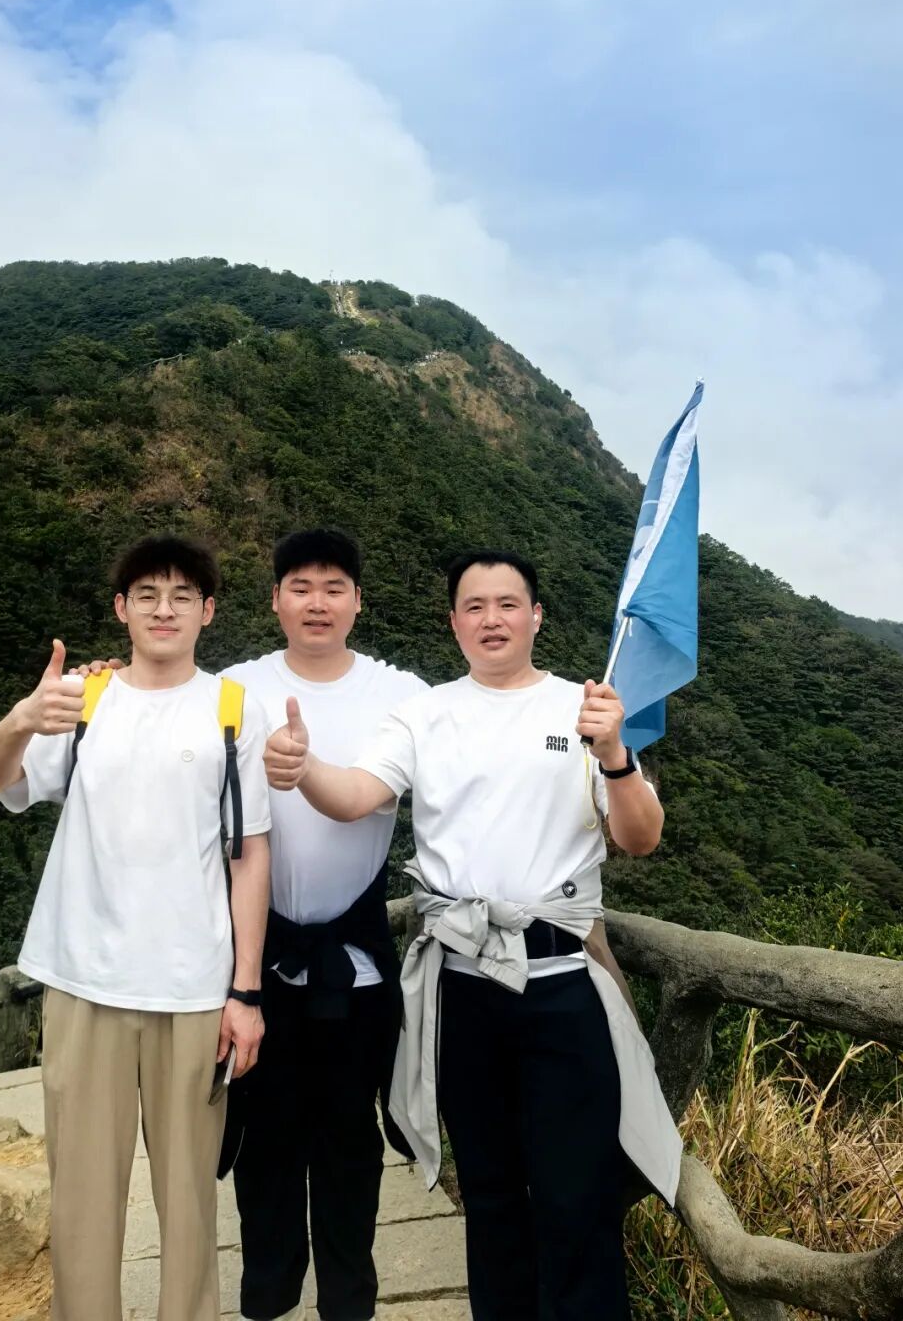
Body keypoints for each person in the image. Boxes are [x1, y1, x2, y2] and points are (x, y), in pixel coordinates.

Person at [265, 548, 683, 1321]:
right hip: (461, 987)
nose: (492, 619)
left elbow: (640, 836)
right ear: (454, 622)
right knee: (489, 1193)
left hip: (563, 984)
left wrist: (616, 756)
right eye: (475, 606)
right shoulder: (425, 714)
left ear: (536, 616)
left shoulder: (586, 707)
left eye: (508, 604)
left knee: (576, 1194)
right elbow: (355, 795)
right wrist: (302, 767)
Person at [0, 535, 272, 1321]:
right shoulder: (81, 698)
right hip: (82, 980)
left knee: (191, 1203)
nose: (164, 609)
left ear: (208, 612)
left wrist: (245, 993)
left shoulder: (234, 709)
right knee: (81, 1202)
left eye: (182, 596)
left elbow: (248, 857)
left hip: (194, 989)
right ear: (121, 608)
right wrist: (23, 717)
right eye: (147, 595)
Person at [221, 528, 427, 1321]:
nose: (317, 602)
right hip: (256, 961)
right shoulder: (233, 689)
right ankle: (268, 1300)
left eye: (334, 587)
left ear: (358, 601)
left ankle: (349, 1304)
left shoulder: (401, 694)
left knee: (349, 1142)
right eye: (300, 586)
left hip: (357, 961)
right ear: (274, 599)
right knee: (263, 1141)